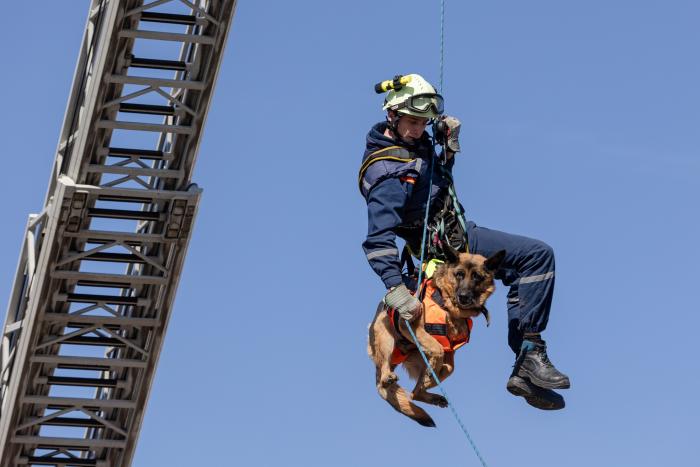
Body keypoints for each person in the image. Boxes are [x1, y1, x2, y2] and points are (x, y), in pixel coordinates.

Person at [359, 73, 570, 410]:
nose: (418, 129)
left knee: (535, 257)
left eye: (423, 123)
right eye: (412, 122)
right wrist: (395, 288)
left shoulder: (414, 144)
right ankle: (528, 359)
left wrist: (447, 147)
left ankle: (528, 357)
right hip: (444, 252)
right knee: (536, 256)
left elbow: (434, 184)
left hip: (459, 234)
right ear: (392, 116)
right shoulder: (387, 172)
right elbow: (377, 240)